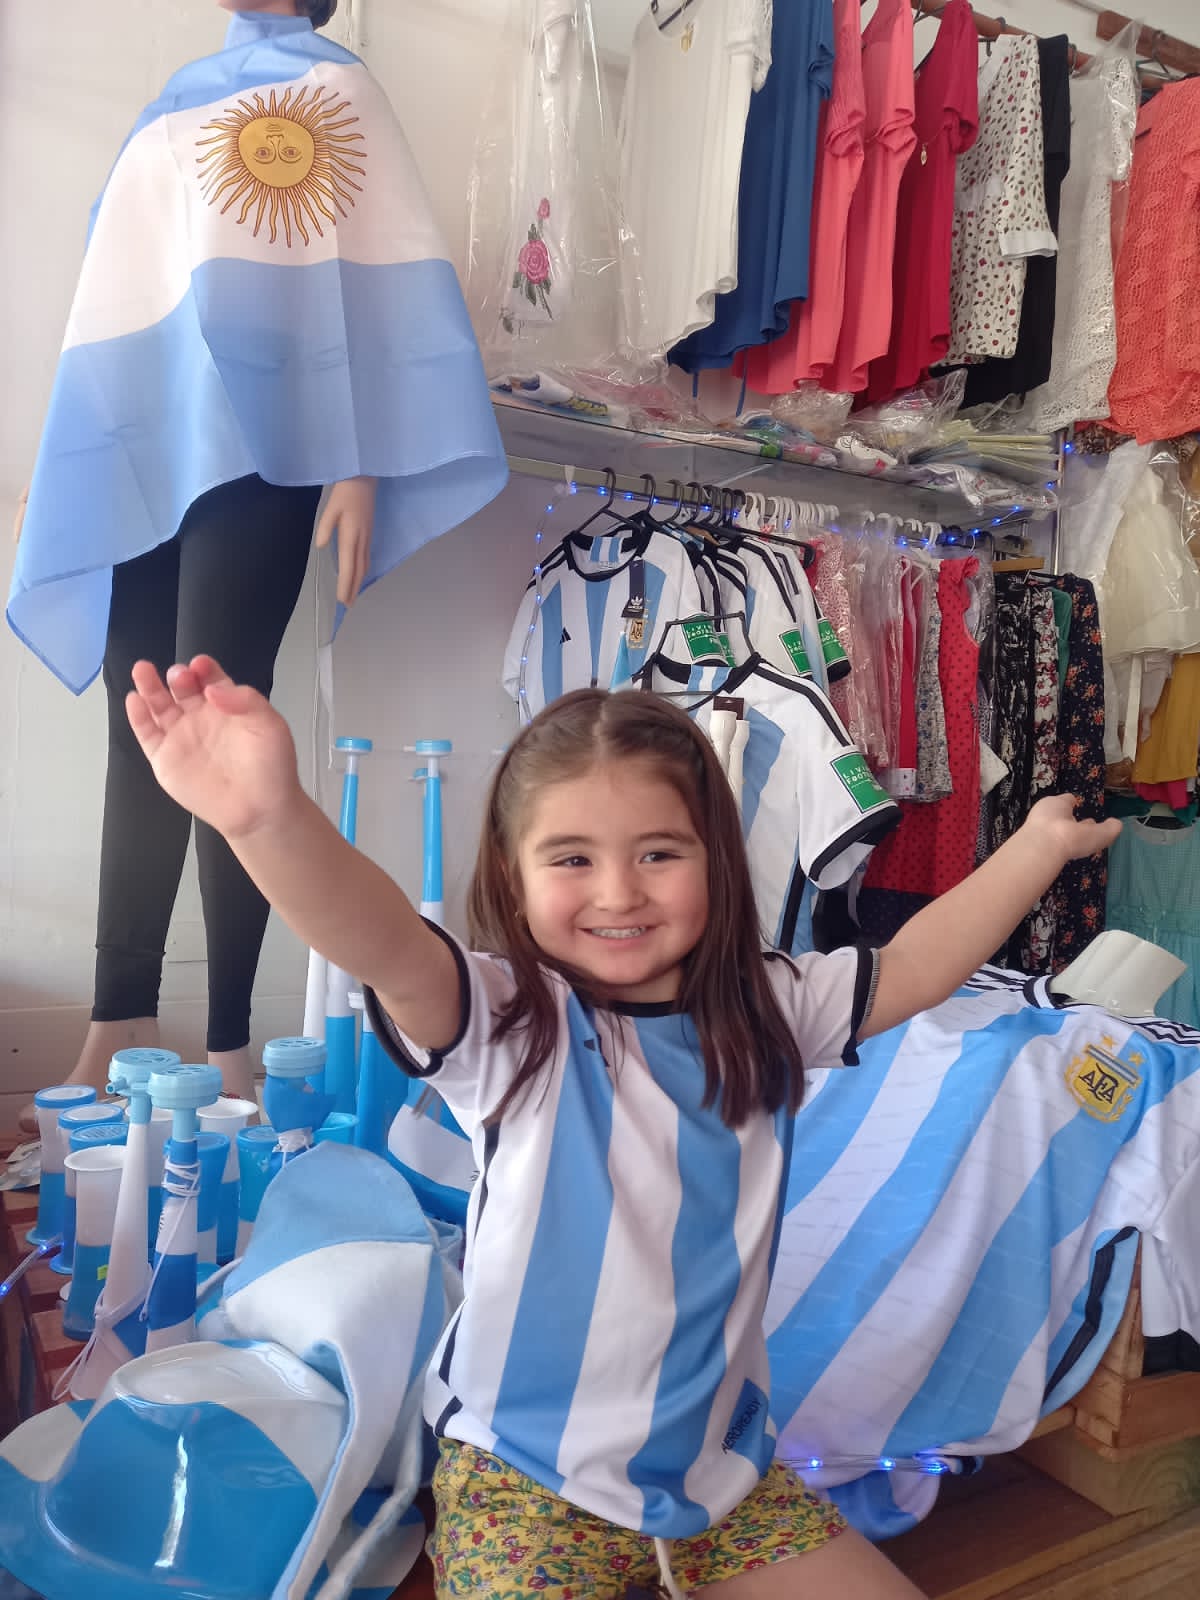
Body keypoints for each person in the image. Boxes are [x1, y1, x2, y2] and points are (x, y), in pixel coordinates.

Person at [125, 654, 1121, 1599]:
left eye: (658, 852)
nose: (619, 891)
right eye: (572, 857)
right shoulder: (511, 1022)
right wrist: (268, 821)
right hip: (524, 1481)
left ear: (715, 859)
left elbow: (915, 966)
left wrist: (1036, 845)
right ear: (513, 876)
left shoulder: (770, 1004)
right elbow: (382, 940)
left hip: (719, 1475)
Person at [10, 0, 505, 1113]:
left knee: (223, 732)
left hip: (266, 449)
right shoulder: (169, 107)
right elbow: (116, 294)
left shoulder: (338, 89)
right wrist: (69, 461)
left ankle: (230, 1043)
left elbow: (367, 277)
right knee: (137, 728)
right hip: (143, 449)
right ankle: (120, 1017)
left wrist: (359, 459)